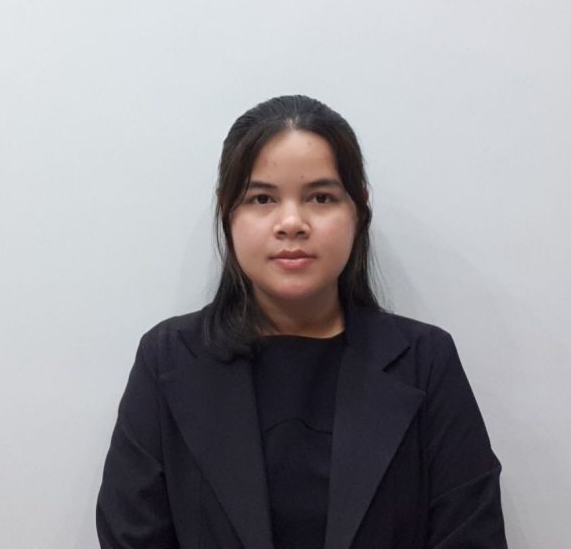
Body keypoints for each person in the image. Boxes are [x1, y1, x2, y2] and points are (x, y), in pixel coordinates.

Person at [96, 95, 507, 548]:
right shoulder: (168, 359)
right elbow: (130, 535)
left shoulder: (425, 363)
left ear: (358, 210)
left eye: (321, 197)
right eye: (262, 198)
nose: (291, 223)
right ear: (227, 212)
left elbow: (472, 534)